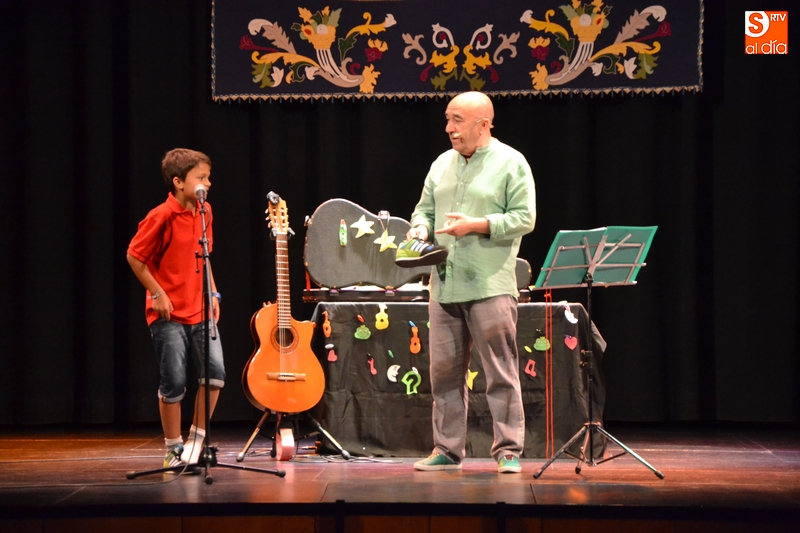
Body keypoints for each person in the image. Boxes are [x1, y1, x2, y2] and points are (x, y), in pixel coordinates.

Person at [408, 92, 536, 474]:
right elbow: (424, 210)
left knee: (500, 372)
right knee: (444, 375)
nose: (449, 128)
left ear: (483, 124)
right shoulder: (441, 164)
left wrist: (477, 225)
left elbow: (524, 218)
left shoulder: (511, 162)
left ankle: (508, 450)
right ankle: (447, 450)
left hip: (489, 285)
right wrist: (420, 227)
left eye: (457, 120)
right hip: (444, 284)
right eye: (448, 120)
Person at [126, 148, 226, 470]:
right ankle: (173, 447)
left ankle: (196, 443)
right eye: (201, 177)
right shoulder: (162, 215)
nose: (207, 183)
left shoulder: (205, 211)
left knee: (215, 374)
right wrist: (157, 293)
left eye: (208, 177)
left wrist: (212, 292)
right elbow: (135, 257)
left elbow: (205, 256)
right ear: (179, 182)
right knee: (174, 381)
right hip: (168, 313)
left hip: (200, 308)